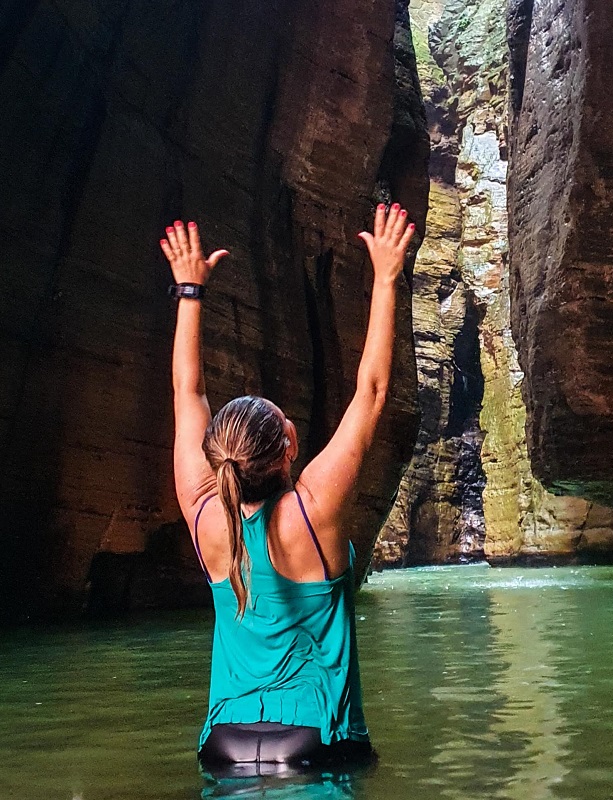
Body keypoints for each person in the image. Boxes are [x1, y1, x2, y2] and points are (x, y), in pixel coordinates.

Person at [160, 203, 416, 769]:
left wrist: (189, 292)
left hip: (223, 746)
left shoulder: (205, 515)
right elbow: (370, 393)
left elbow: (187, 394)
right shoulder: (312, 510)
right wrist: (386, 278)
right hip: (311, 740)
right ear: (290, 448)